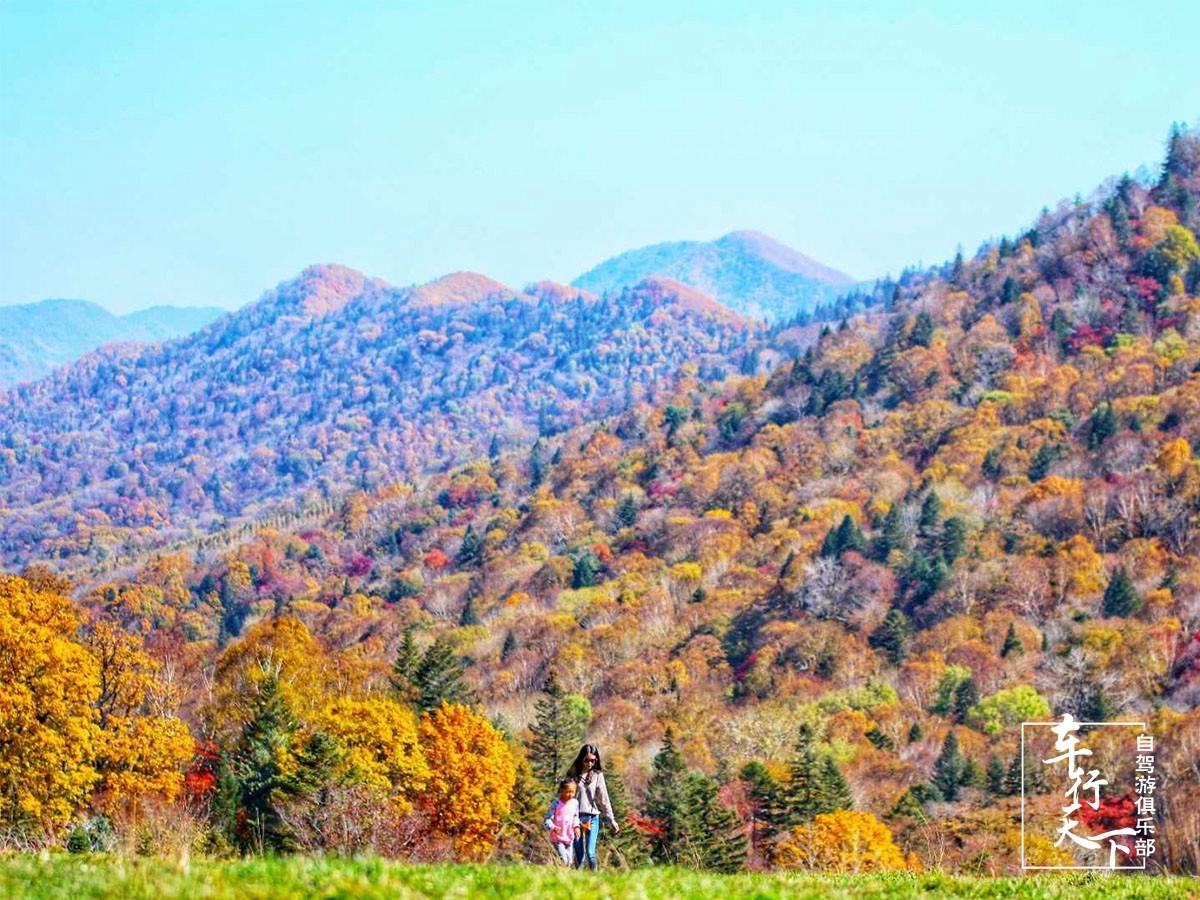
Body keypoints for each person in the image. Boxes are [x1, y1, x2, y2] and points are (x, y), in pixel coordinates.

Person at [566, 743, 618, 869]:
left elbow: (603, 799)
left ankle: (595, 878)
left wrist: (611, 819)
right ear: (581, 759)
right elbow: (564, 796)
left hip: (592, 817)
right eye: (587, 760)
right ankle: (579, 881)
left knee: (590, 852)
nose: (590, 763)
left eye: (593, 760)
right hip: (575, 818)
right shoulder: (573, 774)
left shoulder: (597, 775)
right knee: (579, 854)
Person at [543, 777, 580, 866]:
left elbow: (575, 817)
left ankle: (560, 875)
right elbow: (547, 819)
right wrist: (553, 827)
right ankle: (557, 872)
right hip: (557, 838)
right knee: (564, 860)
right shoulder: (556, 803)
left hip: (569, 837)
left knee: (569, 862)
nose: (570, 794)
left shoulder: (575, 803)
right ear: (561, 790)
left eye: (572, 792)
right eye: (568, 792)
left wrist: (576, 827)